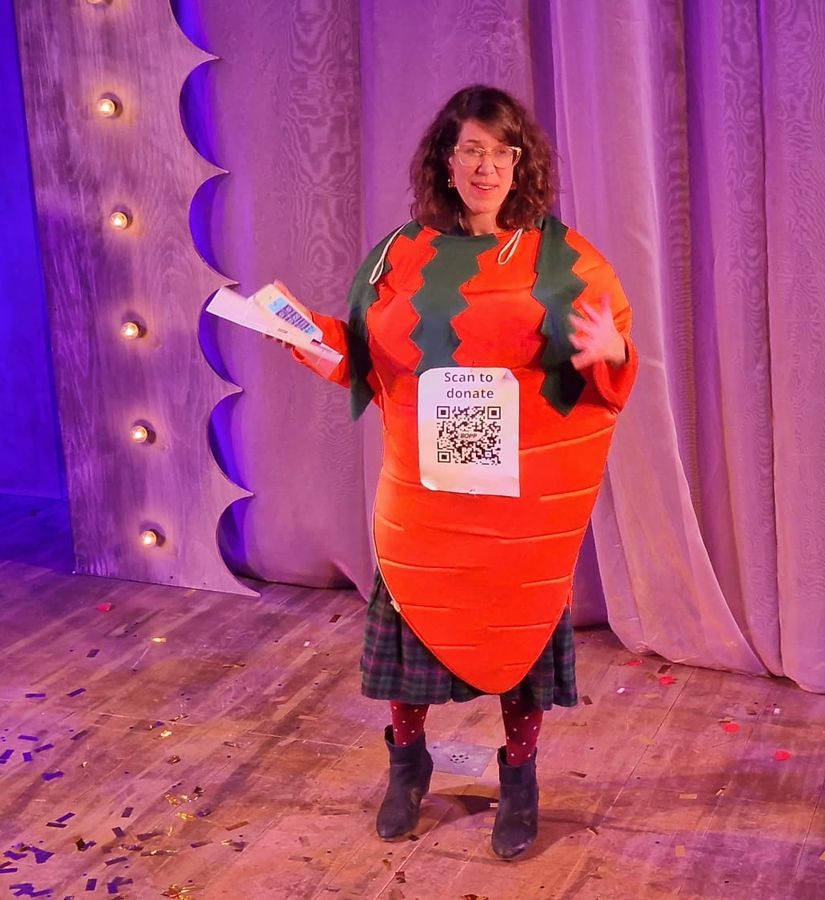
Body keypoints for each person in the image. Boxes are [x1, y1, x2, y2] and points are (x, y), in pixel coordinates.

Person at [274, 84, 637, 859]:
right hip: (428, 494)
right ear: (445, 159)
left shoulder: (561, 257)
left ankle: (520, 780)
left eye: (501, 152)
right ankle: (407, 769)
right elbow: (367, 354)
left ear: (520, 163)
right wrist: (313, 341)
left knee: (519, 640)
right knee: (414, 636)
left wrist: (611, 354)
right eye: (470, 149)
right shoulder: (401, 254)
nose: (485, 166)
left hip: (518, 502)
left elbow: (609, 361)